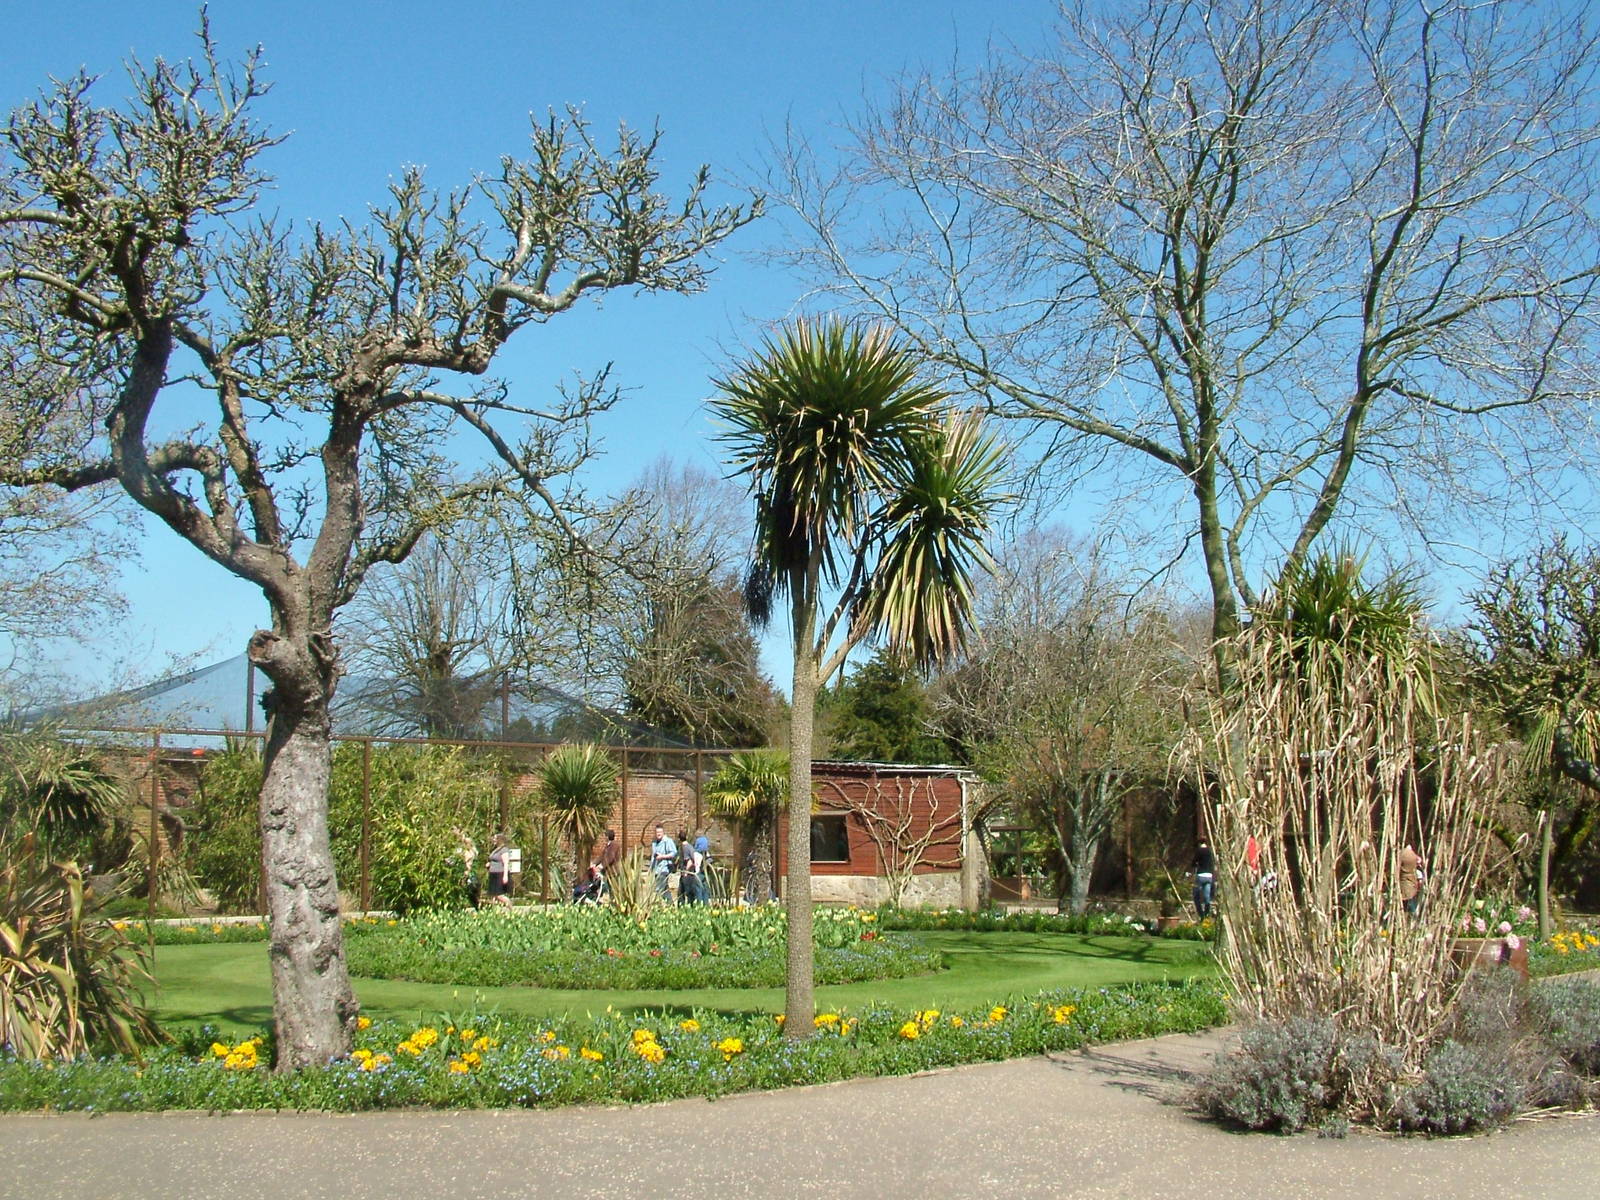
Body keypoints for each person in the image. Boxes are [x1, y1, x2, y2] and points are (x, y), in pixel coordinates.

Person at [485, 831, 513, 906]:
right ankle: (496, 912)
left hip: (499, 874)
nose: (493, 840)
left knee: (499, 895)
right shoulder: (496, 849)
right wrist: (490, 864)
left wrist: (505, 876)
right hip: (493, 873)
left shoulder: (504, 850)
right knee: (493, 895)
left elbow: (506, 863)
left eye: (495, 838)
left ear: (499, 839)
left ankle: (511, 909)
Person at [650, 824, 677, 900]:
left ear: (663, 832)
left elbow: (673, 853)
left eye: (660, 832)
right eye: (657, 832)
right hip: (656, 869)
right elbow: (653, 856)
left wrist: (662, 856)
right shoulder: (654, 843)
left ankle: (660, 905)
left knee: (659, 889)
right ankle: (670, 905)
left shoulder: (667, 841)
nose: (658, 834)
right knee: (665, 889)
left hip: (664, 868)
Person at [1399, 843, 1425, 917]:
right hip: (1410, 889)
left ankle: (1413, 915)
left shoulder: (1408, 869)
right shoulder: (1415, 872)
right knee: (1410, 901)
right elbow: (1420, 882)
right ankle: (1414, 915)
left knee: (1408, 902)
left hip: (1404, 887)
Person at [1193, 839, 1216, 919]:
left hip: (1201, 875)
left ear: (1199, 844)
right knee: (1207, 897)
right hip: (1209, 875)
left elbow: (1193, 862)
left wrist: (1196, 864)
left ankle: (1201, 914)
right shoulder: (1210, 851)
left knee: (1196, 896)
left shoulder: (1199, 851)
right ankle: (1206, 913)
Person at [597, 828, 622, 899]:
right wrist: (594, 863)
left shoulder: (614, 845)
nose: (604, 837)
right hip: (608, 872)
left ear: (608, 837)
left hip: (613, 872)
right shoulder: (608, 845)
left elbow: (610, 857)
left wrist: (602, 865)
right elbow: (601, 856)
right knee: (609, 889)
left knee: (613, 890)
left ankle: (615, 903)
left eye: (605, 836)